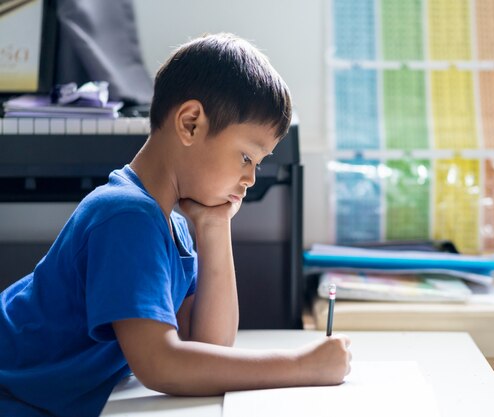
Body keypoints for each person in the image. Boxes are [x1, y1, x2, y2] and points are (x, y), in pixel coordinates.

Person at [0, 33, 351, 417]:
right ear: (190, 124)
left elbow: (209, 347)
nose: (251, 179)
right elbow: (161, 364)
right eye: (247, 157)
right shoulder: (126, 216)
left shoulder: (170, 224)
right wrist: (301, 367)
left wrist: (215, 227)